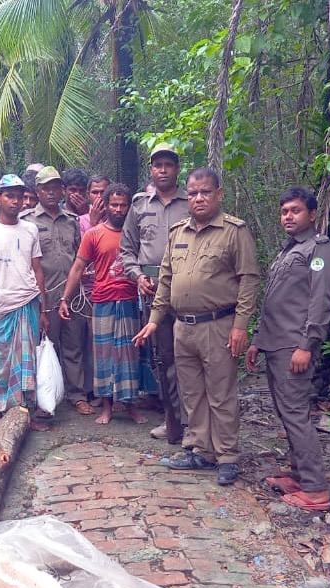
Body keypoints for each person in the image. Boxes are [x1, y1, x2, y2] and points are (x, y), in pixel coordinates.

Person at [134, 167, 260, 486]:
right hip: (182, 327)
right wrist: (154, 321)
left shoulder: (234, 231)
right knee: (192, 393)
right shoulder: (178, 232)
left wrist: (241, 326)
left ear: (219, 194)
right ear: (186, 197)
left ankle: (227, 456)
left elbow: (248, 280)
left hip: (219, 325)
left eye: (205, 192)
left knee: (221, 393)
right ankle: (201, 450)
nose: (198, 198)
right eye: (193, 193)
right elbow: (165, 280)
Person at [246, 187, 330, 511]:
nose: (288, 216)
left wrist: (307, 345)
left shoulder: (319, 250)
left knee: (297, 415)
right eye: (284, 211)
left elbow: (321, 301)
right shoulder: (288, 251)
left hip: (294, 347)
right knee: (288, 413)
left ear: (312, 214)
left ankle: (315, 490)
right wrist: (258, 339)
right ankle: (299, 475)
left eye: (295, 211)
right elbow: (275, 301)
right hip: (276, 343)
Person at [59, 183, 148, 425]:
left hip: (130, 300)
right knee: (104, 357)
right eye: (114, 204)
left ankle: (130, 406)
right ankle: (107, 407)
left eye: (123, 205)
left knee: (129, 355)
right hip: (102, 301)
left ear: (129, 207)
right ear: (106, 206)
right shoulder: (94, 234)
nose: (118, 209)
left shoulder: (135, 233)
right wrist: (65, 298)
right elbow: (78, 267)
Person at [120, 142, 190, 445]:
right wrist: (137, 277)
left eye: (169, 164)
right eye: (157, 165)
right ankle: (172, 420)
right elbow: (127, 250)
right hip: (152, 291)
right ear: (151, 169)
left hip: (188, 290)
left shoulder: (191, 203)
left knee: (189, 356)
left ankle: (193, 422)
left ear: (177, 169)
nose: (163, 170)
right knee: (162, 358)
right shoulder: (139, 205)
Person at [0, 174, 51, 431]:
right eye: (9, 196)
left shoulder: (30, 229)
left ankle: (26, 414)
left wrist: (43, 308)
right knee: (1, 363)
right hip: (2, 307)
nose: (15, 201)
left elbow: (37, 269)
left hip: (28, 302)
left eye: (19, 196)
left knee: (28, 362)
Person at [21, 166, 91, 416]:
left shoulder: (71, 221)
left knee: (74, 346)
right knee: (42, 347)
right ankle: (43, 400)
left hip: (72, 295)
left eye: (55, 188)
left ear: (62, 190)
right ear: (37, 191)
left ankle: (77, 394)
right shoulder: (27, 221)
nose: (51, 193)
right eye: (45, 188)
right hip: (43, 295)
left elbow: (79, 256)